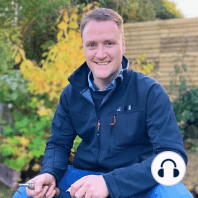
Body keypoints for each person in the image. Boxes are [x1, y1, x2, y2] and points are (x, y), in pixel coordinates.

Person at [13, 8, 193, 198]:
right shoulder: (71, 94)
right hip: (83, 178)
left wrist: (109, 183)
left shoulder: (149, 92)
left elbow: (172, 158)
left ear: (122, 46)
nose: (100, 54)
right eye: (91, 45)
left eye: (109, 43)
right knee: (25, 193)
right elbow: (58, 144)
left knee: (176, 194)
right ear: (83, 48)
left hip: (135, 182)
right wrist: (50, 173)